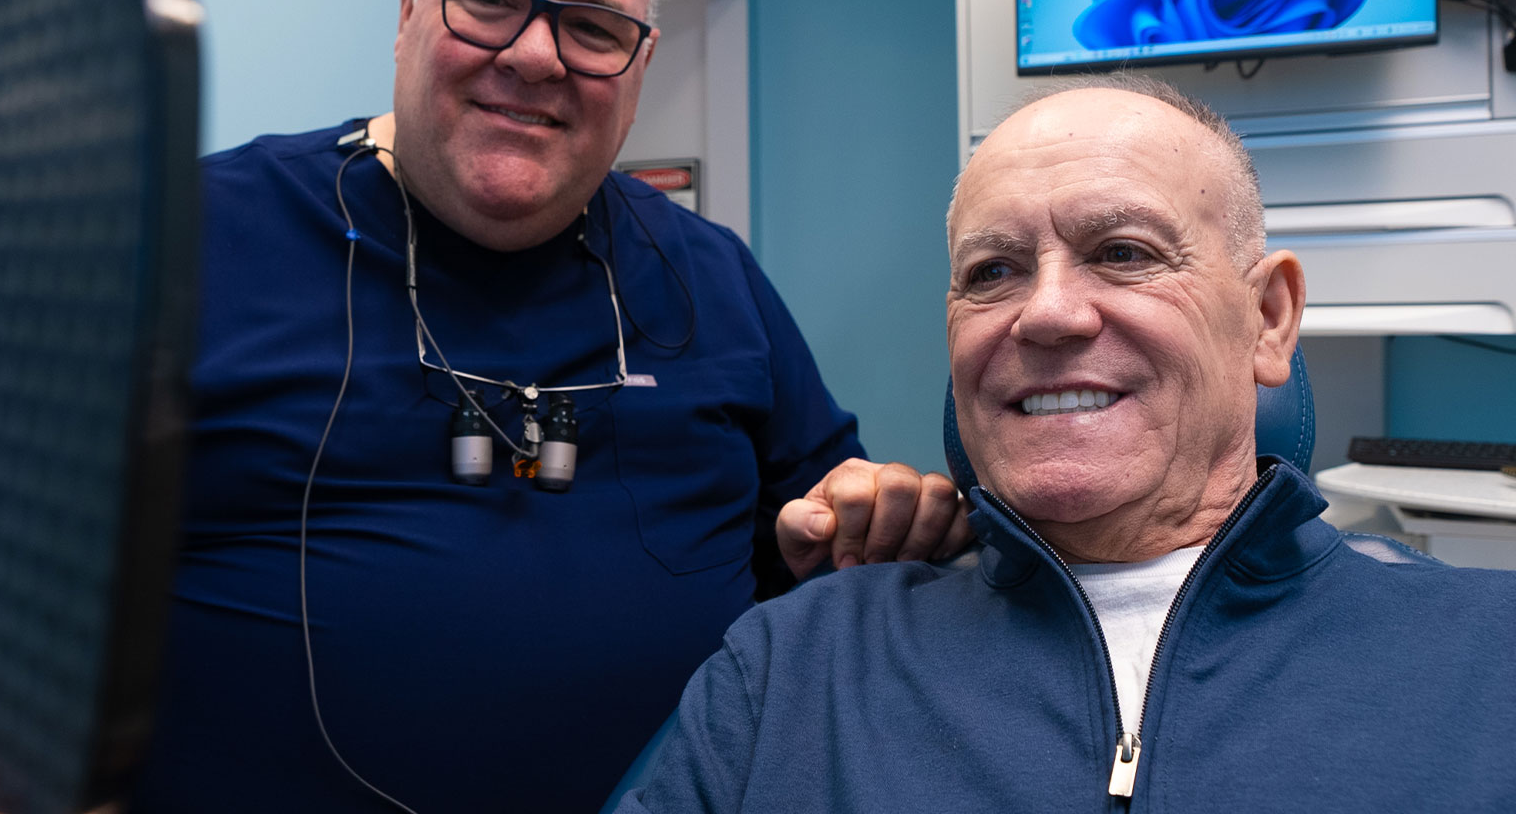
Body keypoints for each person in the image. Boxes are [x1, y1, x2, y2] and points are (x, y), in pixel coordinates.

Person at [0, 0, 967, 814]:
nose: (535, 56)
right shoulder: (179, 240)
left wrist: (862, 512)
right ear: (413, 4)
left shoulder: (715, 280)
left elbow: (816, 520)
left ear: (636, 68)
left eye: (591, 27)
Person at [618, 75, 1516, 813]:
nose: (1044, 312)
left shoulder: (1487, 658)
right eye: (992, 272)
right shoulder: (794, 666)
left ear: (1268, 320)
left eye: (1123, 252)